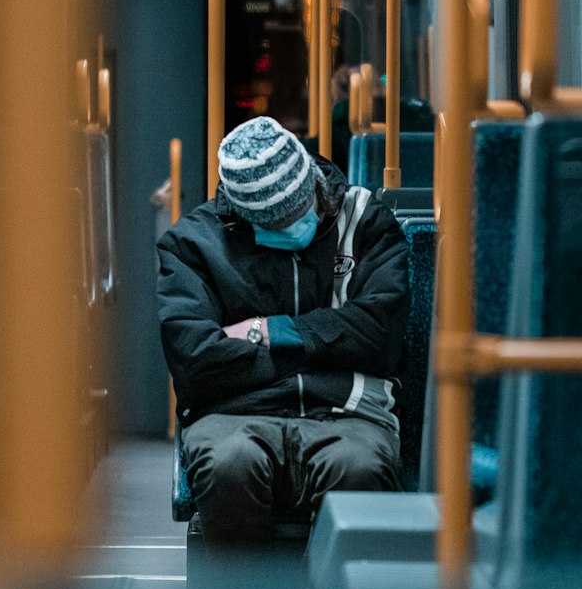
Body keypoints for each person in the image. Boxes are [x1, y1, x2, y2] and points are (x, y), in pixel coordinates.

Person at [156, 116, 410, 545]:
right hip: (233, 415)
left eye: (304, 210)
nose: (297, 228)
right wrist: (326, 344)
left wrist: (265, 330)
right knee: (229, 465)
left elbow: (379, 334)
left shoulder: (364, 220)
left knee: (359, 468)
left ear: (314, 184)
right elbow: (197, 361)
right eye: (276, 227)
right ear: (243, 217)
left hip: (348, 413)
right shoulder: (194, 245)